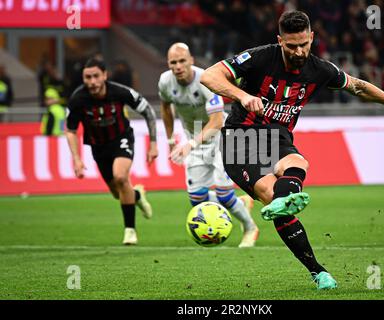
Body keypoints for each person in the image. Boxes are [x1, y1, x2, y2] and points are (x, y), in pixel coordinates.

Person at [200, 10, 384, 289]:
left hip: (276, 136)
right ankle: (316, 269)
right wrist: (243, 95)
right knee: (274, 197)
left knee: (298, 162)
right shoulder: (260, 57)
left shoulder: (320, 69)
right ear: (279, 40)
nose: (298, 51)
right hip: (240, 138)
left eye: (303, 44)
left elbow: (358, 87)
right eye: (291, 45)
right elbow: (210, 76)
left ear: (312, 37)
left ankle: (287, 198)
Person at [159, 43, 259, 248]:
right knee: (197, 198)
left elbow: (216, 122)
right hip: (194, 140)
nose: (178, 66)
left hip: (221, 137)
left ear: (191, 61)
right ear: (168, 64)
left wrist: (189, 144)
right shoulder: (165, 82)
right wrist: (170, 140)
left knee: (223, 193)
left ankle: (250, 227)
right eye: (173, 62)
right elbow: (165, 109)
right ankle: (239, 203)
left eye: (182, 61)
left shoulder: (206, 79)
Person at [65, 58, 158, 245]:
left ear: (105, 76)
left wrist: (154, 143)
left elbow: (148, 111)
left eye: (96, 76)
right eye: (87, 77)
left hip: (121, 139)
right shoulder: (78, 99)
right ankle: (137, 195)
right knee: (118, 193)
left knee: (121, 177)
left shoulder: (119, 92)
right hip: (98, 147)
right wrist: (76, 158)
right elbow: (70, 131)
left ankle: (130, 231)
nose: (92, 82)